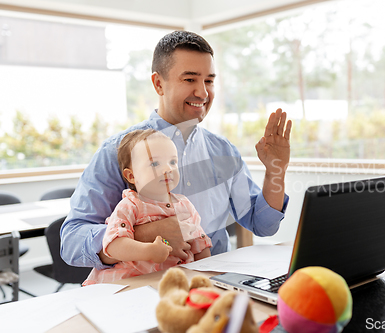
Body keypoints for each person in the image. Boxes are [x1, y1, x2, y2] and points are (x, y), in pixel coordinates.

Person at [61, 30, 292, 271]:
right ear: (159, 84)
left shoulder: (224, 151)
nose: (203, 93)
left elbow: (263, 225)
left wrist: (276, 170)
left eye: (209, 81)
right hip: (143, 290)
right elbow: (71, 242)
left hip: (213, 283)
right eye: (190, 79)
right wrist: (143, 234)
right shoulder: (118, 150)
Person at [83, 129, 211, 285]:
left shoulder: (184, 205)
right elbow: (113, 245)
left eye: (172, 162)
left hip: (170, 281)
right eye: (155, 163)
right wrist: (149, 251)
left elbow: (200, 245)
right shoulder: (130, 206)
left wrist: (206, 277)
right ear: (131, 176)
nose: (168, 169)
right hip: (129, 282)